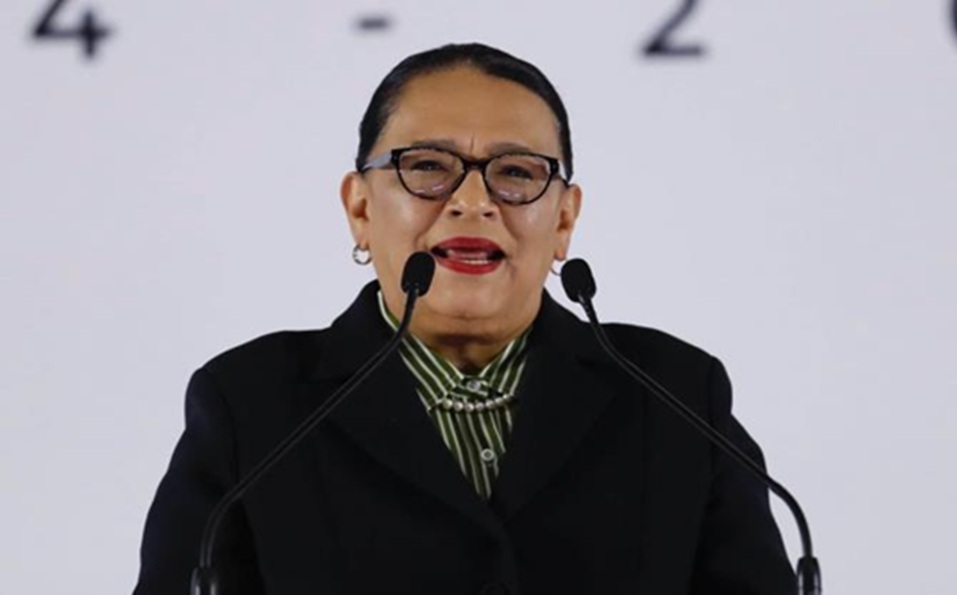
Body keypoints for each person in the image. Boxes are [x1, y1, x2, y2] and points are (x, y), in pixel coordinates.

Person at [133, 43, 795, 595]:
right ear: (360, 209)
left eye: (516, 172)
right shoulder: (252, 404)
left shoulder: (676, 395)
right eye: (427, 167)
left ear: (564, 219)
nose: (473, 201)